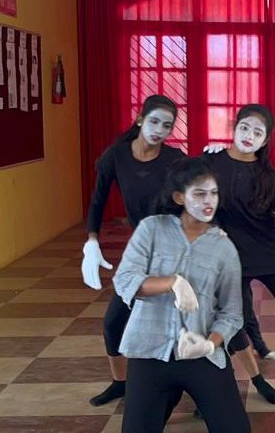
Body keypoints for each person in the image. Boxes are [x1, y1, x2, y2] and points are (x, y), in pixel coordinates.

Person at [113, 157, 250, 433]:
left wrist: (209, 345)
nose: (208, 201)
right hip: (149, 352)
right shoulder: (152, 229)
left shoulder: (224, 248)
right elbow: (124, 280)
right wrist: (172, 282)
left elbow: (232, 313)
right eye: (199, 194)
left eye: (213, 193)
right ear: (179, 197)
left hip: (201, 355)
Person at [81, 95, 185, 406]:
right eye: (154, 122)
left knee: (183, 321)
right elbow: (98, 199)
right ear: (140, 119)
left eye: (166, 126)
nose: (159, 130)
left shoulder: (175, 159)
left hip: (175, 247)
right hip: (141, 250)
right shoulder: (117, 156)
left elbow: (199, 188)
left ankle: (197, 387)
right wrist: (91, 240)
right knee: (114, 321)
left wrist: (215, 156)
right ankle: (120, 382)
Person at [200, 104, 275, 405]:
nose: (249, 135)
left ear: (265, 140)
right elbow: (184, 184)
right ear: (234, 128)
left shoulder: (266, 175)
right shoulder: (211, 162)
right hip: (229, 258)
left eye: (258, 132)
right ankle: (258, 379)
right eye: (244, 127)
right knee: (232, 321)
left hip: (271, 255)